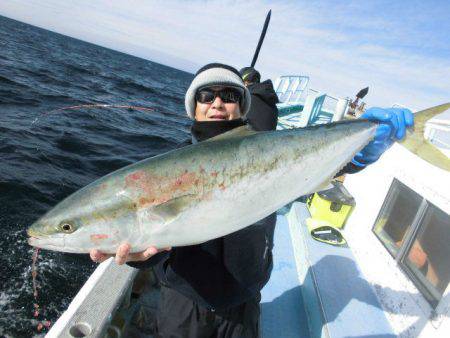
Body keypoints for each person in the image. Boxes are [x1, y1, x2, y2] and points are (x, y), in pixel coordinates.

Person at [90, 63, 414, 337]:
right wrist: (136, 255)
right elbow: (154, 247)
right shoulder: (164, 169)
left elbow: (317, 164)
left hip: (245, 302)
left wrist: (362, 152)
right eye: (206, 95)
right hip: (185, 303)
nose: (217, 102)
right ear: (194, 106)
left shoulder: (271, 150)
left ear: (243, 106)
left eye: (229, 95)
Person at [239, 67, 279, 131]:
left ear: (245, 82)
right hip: (267, 139)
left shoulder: (246, 98)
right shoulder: (270, 100)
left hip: (249, 139)